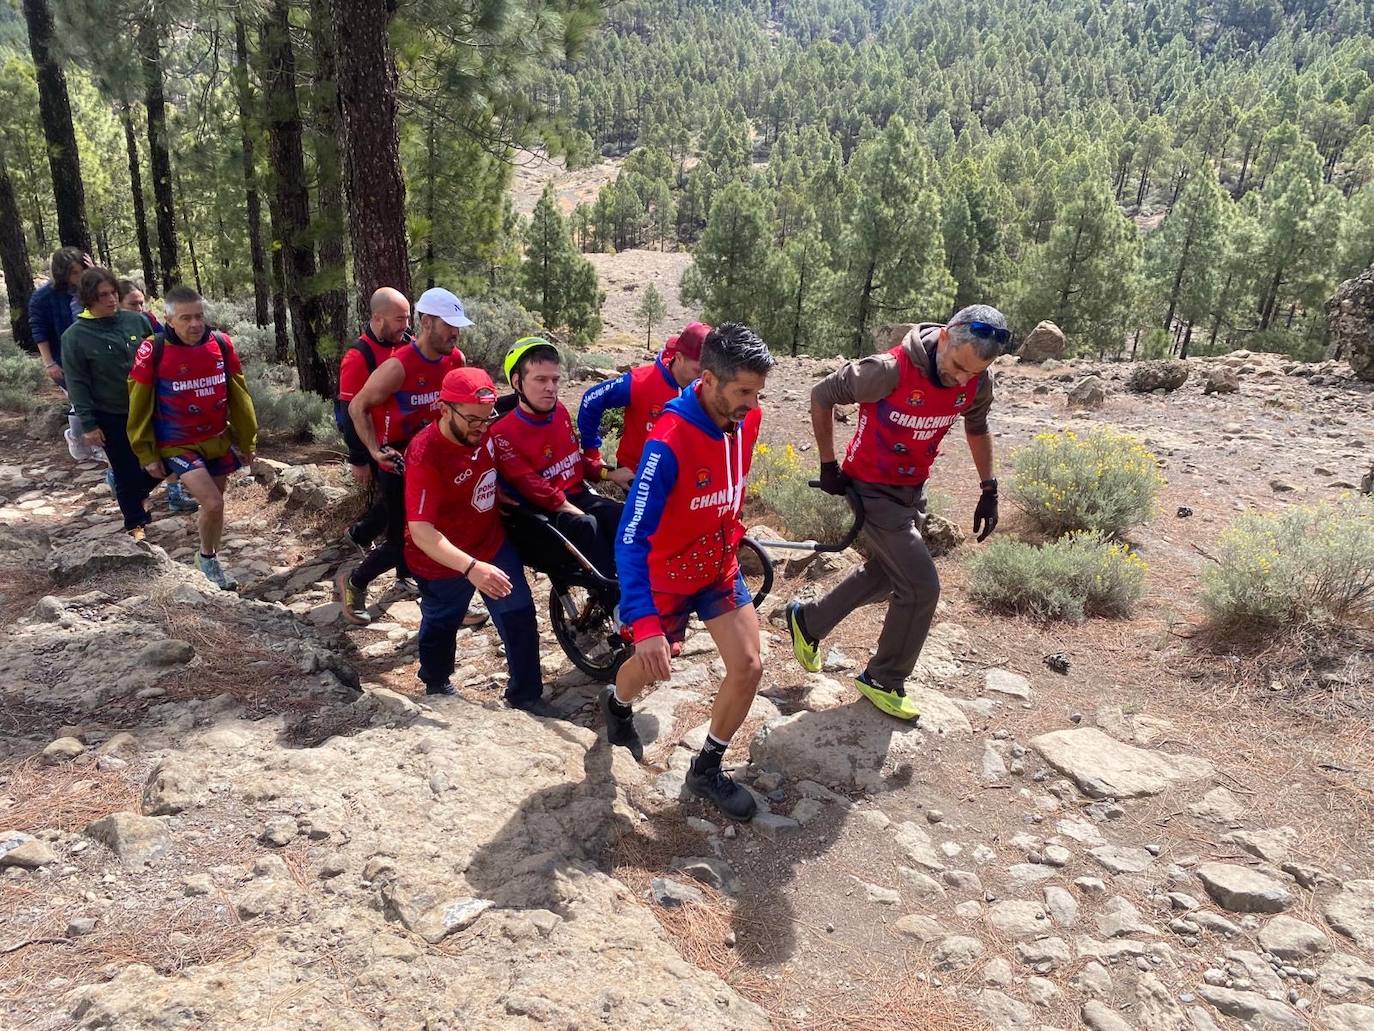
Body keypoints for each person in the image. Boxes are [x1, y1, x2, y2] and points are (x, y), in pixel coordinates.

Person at [784, 305, 1009, 720]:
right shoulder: (888, 370)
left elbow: (976, 428)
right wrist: (828, 465)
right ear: (944, 337)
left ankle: (808, 621)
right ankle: (884, 678)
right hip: (869, 487)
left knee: (890, 575)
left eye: (972, 373)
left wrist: (988, 487)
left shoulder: (977, 383)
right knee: (922, 587)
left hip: (911, 488)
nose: (961, 378)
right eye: (958, 365)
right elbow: (822, 394)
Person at [601, 323, 775, 821]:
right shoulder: (668, 441)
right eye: (742, 391)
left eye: (757, 392)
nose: (750, 403)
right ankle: (617, 704)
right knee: (649, 667)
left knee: (749, 666)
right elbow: (631, 536)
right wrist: (647, 623)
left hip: (717, 567)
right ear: (707, 378)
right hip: (667, 579)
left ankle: (706, 769)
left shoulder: (748, 418)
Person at [403, 366, 549, 713]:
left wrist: (498, 491)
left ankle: (526, 695)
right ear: (443, 408)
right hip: (440, 560)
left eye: (488, 419)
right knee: (441, 621)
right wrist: (469, 567)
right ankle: (436, 682)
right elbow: (422, 532)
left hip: (489, 541)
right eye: (472, 420)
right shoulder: (426, 453)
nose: (482, 428)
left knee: (519, 613)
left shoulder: (481, 430)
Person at [338, 287, 470, 624]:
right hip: (397, 461)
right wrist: (370, 451)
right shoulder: (398, 366)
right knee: (404, 542)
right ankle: (354, 582)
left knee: (446, 532)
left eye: (458, 326)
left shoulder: (455, 360)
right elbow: (356, 406)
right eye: (448, 325)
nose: (455, 333)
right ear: (426, 323)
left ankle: (446, 599)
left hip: (436, 458)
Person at [128, 285, 259, 591]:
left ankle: (206, 555)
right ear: (168, 319)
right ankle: (209, 562)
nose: (195, 324)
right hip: (177, 442)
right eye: (186, 318)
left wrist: (247, 439)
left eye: (199, 316)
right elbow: (138, 403)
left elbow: (239, 395)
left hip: (216, 438)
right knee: (212, 503)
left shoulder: (222, 344)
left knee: (216, 505)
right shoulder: (153, 349)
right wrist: (147, 453)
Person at [492, 337, 625, 577]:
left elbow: (573, 461)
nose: (550, 388)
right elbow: (533, 487)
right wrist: (576, 511)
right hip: (540, 514)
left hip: (575, 496)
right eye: (540, 379)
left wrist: (609, 473)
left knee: (619, 514)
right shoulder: (502, 433)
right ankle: (616, 602)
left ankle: (632, 584)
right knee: (589, 526)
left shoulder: (559, 410)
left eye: (555, 379)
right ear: (517, 382)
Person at [61, 268, 159, 538]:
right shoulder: (75, 337)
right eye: (103, 295)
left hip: (150, 407)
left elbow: (158, 359)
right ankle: (135, 525)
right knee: (126, 469)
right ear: (88, 298)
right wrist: (89, 425)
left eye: (113, 292)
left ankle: (137, 494)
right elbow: (77, 383)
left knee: (168, 459)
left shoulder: (136, 322)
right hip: (112, 413)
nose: (111, 299)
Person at [576, 320, 710, 477]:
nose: (704, 377)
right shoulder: (641, 382)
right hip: (638, 476)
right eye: (698, 370)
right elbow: (591, 400)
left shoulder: (708, 387)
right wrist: (592, 453)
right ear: (679, 358)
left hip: (686, 478)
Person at [336, 287, 412, 553]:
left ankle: (362, 535)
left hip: (407, 439)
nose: (406, 325)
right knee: (398, 503)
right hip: (377, 445)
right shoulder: (358, 357)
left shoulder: (407, 343)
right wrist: (358, 457)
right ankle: (380, 548)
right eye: (399, 319)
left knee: (402, 498)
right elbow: (350, 412)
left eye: (407, 318)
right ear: (378, 318)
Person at [113, 279, 197, 514]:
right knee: (129, 454)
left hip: (155, 394)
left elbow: (168, 346)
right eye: (133, 304)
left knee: (166, 445)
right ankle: (127, 490)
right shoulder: (109, 329)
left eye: (142, 303)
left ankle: (174, 495)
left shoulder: (148, 321)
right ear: (117, 304)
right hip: (123, 399)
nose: (139, 309)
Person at [27, 246, 97, 461]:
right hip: (65, 357)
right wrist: (49, 363)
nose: (79, 277)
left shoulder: (91, 287)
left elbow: (115, 300)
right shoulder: (43, 298)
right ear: (62, 273)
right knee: (80, 400)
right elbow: (39, 331)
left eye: (82, 271)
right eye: (74, 273)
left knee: (97, 400)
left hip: (96, 354)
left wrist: (96, 274)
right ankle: (77, 437)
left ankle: (93, 442)